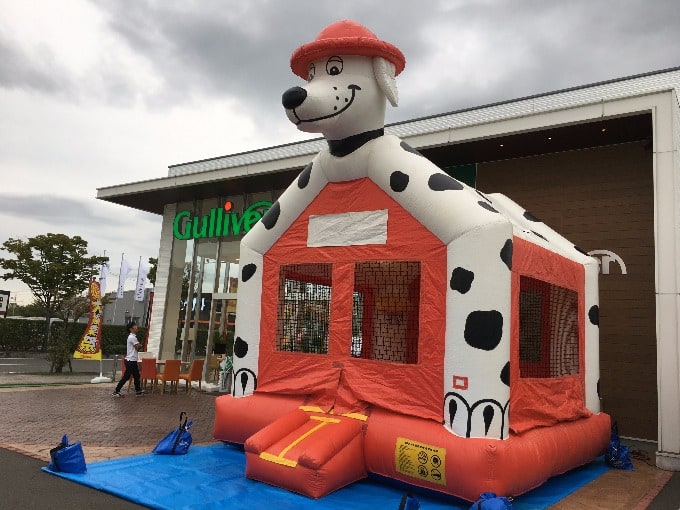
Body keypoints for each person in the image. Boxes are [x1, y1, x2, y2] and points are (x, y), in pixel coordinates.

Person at [112, 321, 146, 397]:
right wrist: (140, 345)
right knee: (126, 376)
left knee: (136, 376)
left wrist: (139, 345)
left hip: (132, 360)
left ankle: (138, 391)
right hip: (130, 360)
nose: (137, 327)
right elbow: (138, 347)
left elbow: (137, 346)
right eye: (135, 326)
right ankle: (116, 391)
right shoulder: (132, 337)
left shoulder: (133, 337)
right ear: (131, 329)